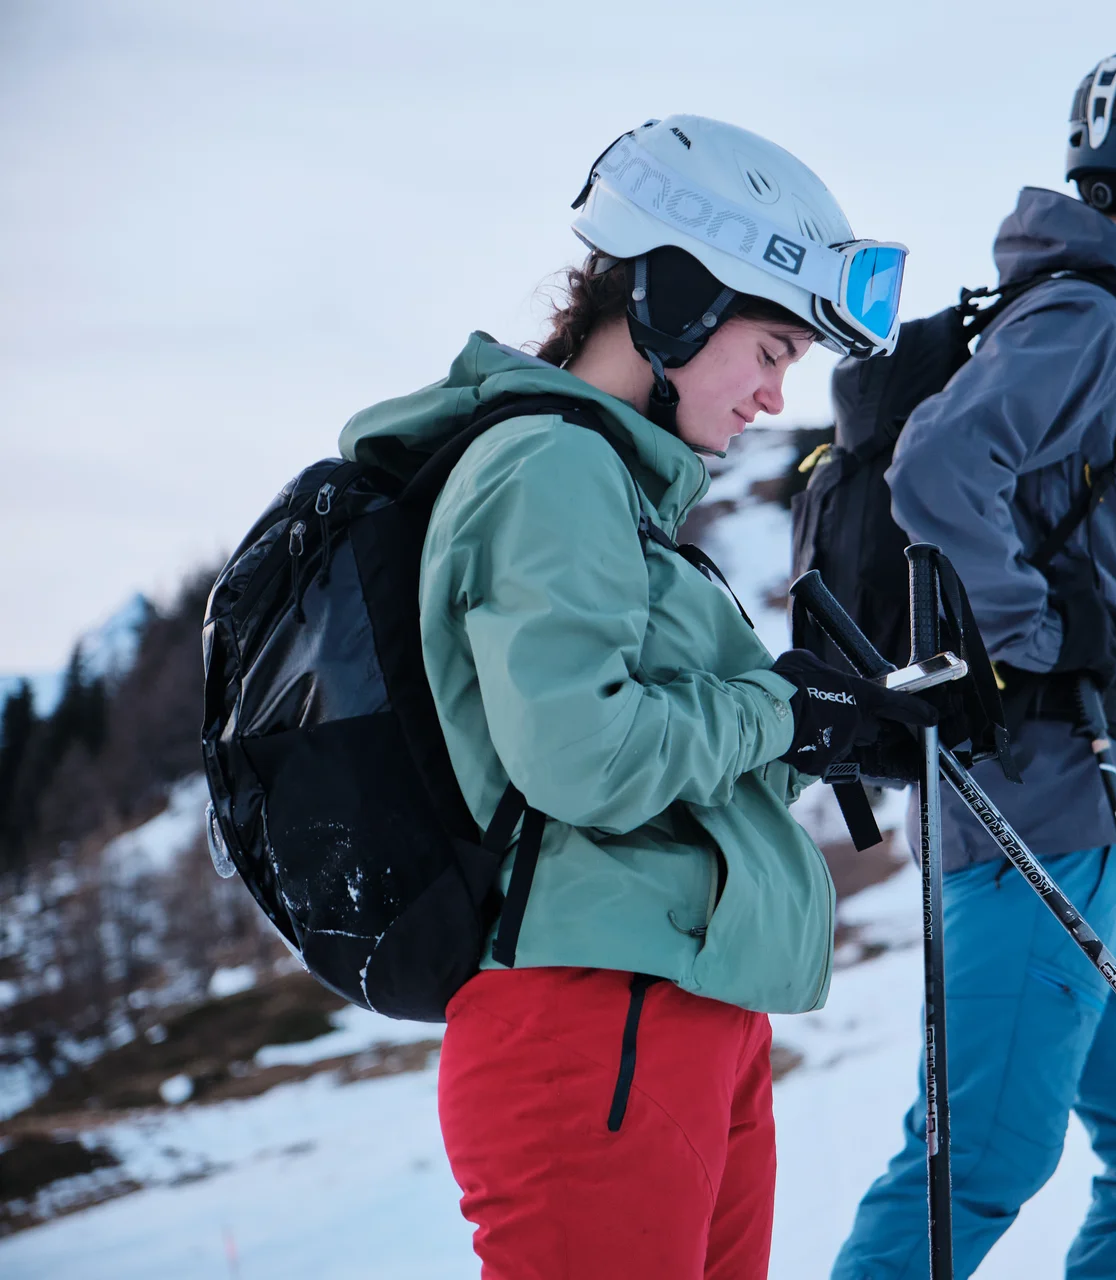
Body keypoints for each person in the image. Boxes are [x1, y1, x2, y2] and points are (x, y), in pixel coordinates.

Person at [339, 116, 933, 1279]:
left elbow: (662, 770)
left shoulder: (614, 490)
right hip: (590, 1023)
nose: (771, 395)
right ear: (671, 301)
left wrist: (835, 728)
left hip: (679, 1010)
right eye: (766, 349)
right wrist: (778, 711)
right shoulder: (550, 467)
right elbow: (581, 756)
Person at [834, 43, 1116, 1280]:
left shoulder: (1083, 317)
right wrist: (1037, 633)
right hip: (1037, 804)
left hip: (1090, 800)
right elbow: (937, 468)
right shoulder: (1087, 318)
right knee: (976, 1161)